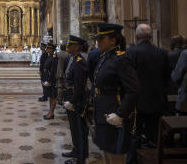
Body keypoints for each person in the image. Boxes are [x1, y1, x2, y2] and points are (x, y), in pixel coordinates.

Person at [93, 23, 140, 164]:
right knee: (106, 151)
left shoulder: (121, 59)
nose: (98, 41)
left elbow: (133, 90)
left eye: (101, 38)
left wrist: (120, 114)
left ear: (113, 40)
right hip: (103, 112)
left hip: (114, 113)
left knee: (115, 155)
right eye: (97, 38)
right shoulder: (106, 57)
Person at [126, 24, 170, 164]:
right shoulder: (162, 53)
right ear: (151, 37)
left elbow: (127, 78)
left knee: (134, 136)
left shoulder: (131, 53)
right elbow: (166, 77)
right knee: (155, 136)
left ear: (136, 36)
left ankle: (133, 161)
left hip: (136, 101)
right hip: (157, 99)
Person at [62, 35, 89, 164]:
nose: (68, 46)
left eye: (70, 45)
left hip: (76, 100)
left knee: (79, 128)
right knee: (73, 127)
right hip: (70, 96)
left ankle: (80, 157)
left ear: (76, 47)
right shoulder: (73, 59)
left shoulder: (80, 62)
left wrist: (73, 101)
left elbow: (80, 85)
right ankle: (76, 149)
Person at [42, 42, 58, 120]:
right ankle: (50, 112)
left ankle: (51, 113)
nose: (47, 49)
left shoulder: (54, 57)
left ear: (51, 49)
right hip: (48, 78)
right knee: (50, 97)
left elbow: (53, 71)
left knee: (53, 97)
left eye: (48, 48)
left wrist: (49, 80)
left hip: (51, 80)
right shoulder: (49, 56)